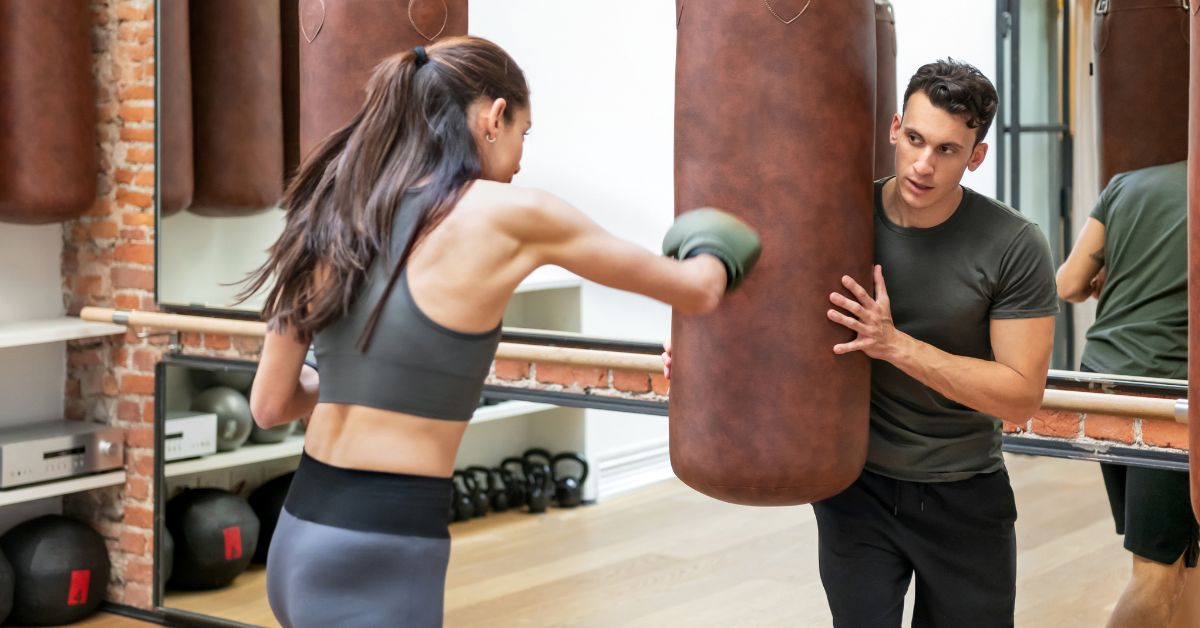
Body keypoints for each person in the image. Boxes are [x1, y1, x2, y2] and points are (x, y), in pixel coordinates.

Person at [240, 36, 760, 628]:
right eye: (524, 133)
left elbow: (269, 405)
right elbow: (696, 289)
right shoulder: (514, 215)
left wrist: (351, 382)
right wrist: (719, 242)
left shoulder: (334, 209)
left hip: (298, 536)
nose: (520, 158)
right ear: (493, 117)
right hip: (382, 548)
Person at [664, 59, 1058, 627]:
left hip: (965, 494)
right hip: (857, 489)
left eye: (947, 150)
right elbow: (773, 319)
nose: (923, 165)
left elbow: (1020, 397)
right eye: (916, 139)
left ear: (977, 156)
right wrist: (705, 355)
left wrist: (895, 344)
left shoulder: (1013, 244)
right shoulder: (839, 217)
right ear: (895, 127)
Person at [1056, 160, 1196, 628]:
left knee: (1179, 560)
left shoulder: (1127, 185)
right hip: (1165, 398)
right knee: (1156, 572)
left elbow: (1068, 284)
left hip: (1101, 381)